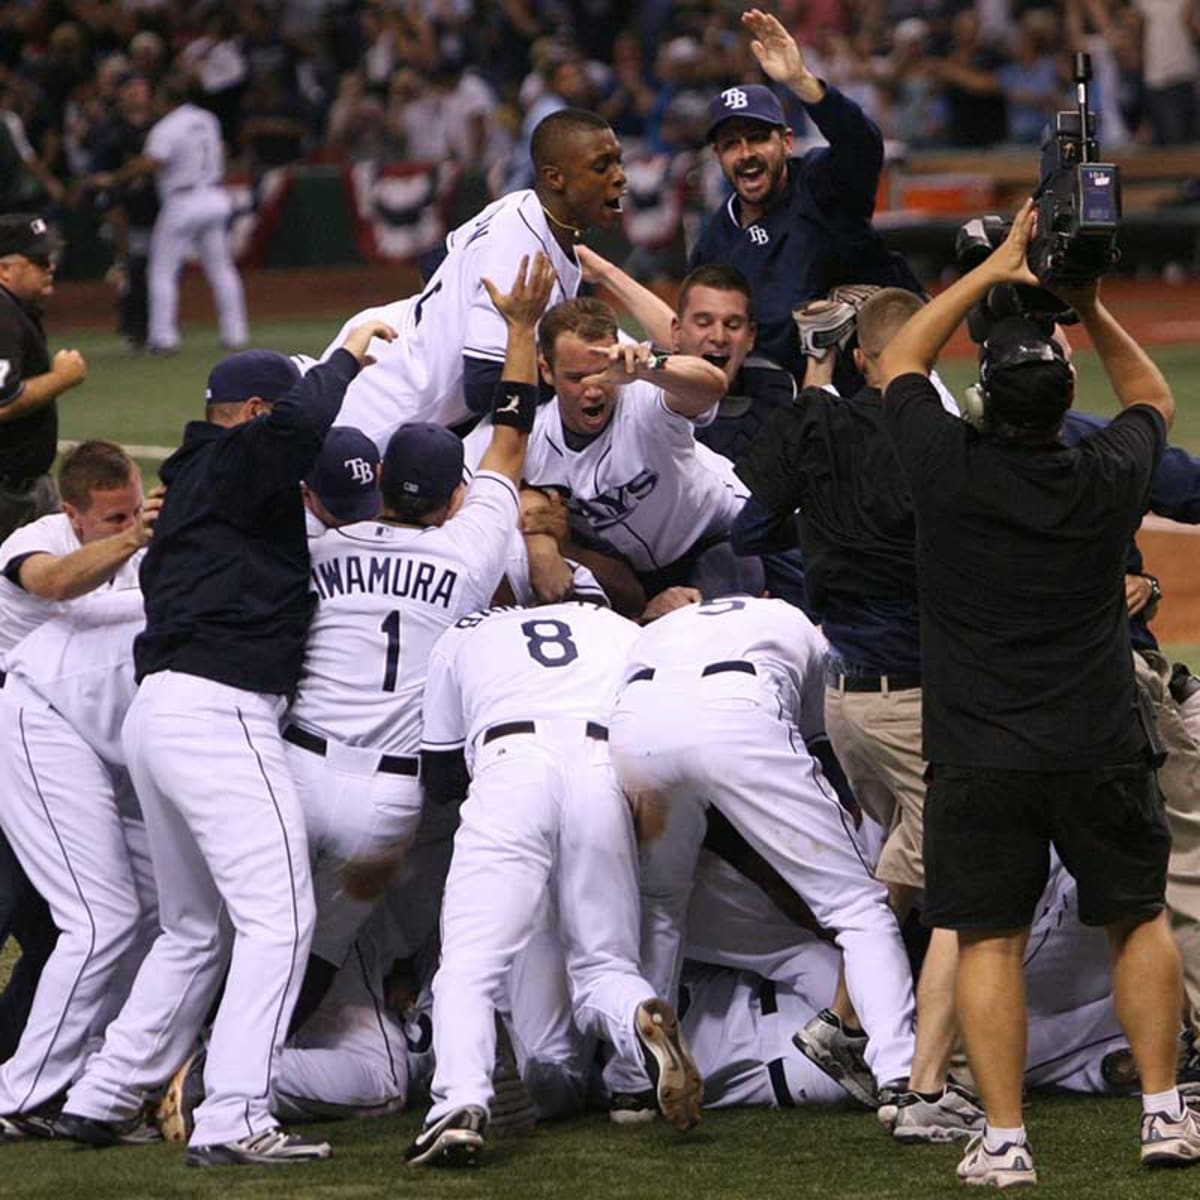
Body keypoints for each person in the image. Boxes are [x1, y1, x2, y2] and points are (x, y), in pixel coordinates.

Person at [877, 200, 1197, 1185]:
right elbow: (1153, 399)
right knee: (1135, 917)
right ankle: (1163, 1115)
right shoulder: (1104, 472)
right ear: (1064, 406)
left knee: (987, 938)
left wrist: (990, 270)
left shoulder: (945, 468)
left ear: (985, 400)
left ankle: (1007, 1139)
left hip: (980, 750)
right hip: (1098, 737)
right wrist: (1088, 307)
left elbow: (900, 364)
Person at [54, 318, 393, 1167]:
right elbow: (294, 430)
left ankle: (102, 1095)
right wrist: (347, 354)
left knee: (194, 927)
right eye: (272, 413)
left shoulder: (196, 487)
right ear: (248, 411)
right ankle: (235, 1111)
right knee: (280, 919)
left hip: (161, 716)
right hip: (218, 710)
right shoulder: (233, 457)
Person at [283, 254, 555, 1030]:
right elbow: (509, 434)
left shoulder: (323, 543)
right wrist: (521, 330)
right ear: (454, 496)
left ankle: (187, 1059)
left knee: (261, 931)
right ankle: (238, 1070)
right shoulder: (470, 555)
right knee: (324, 944)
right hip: (390, 803)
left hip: (296, 771)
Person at [410, 599, 704, 1166]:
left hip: (511, 759)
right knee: (605, 968)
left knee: (471, 964)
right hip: (600, 769)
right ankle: (639, 1012)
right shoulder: (617, 628)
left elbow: (442, 777)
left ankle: (460, 1103)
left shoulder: (467, 632)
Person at [607, 596, 915, 1114]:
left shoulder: (660, 629)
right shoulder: (801, 624)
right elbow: (827, 752)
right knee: (859, 909)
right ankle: (901, 1074)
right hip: (736, 711)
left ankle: (630, 1083)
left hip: (637, 724)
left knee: (660, 906)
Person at [325, 107, 627, 450]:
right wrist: (571, 376)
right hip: (389, 405)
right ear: (555, 177)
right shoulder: (521, 250)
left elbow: (436, 259)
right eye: (601, 166)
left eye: (619, 162)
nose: (619, 177)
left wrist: (449, 318)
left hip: (390, 350)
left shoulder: (522, 205)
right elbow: (483, 383)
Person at [0, 440, 159, 1065]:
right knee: (20, 902)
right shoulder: (35, 540)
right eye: (112, 517)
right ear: (73, 513)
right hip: (18, 727)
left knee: (73, 928)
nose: (127, 524)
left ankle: (25, 1054)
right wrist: (134, 538)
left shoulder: (137, 550)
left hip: (78, 746)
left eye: (133, 511)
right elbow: (56, 583)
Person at [462, 297, 756, 604]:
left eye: (603, 373)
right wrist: (537, 539)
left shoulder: (643, 395)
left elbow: (712, 386)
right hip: (637, 572)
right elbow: (464, 485)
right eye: (576, 378)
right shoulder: (535, 433)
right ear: (546, 371)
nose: (592, 390)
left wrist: (649, 367)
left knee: (713, 617)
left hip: (718, 535)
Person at [689, 9, 921, 389]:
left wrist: (801, 81)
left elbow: (860, 145)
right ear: (718, 157)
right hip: (783, 406)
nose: (746, 153)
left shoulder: (821, 185)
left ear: (787, 141)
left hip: (876, 391)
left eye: (759, 138)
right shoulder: (714, 242)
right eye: (731, 144)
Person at [0, 586, 158, 1136]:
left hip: (110, 738)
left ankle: (96, 1070)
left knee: (161, 910)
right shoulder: (225, 608)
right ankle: (21, 1095)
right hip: (46, 715)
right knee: (99, 920)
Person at [95, 75, 247, 354]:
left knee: (161, 270)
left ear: (166, 101)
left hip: (183, 199)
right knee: (222, 269)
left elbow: (153, 161)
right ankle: (235, 333)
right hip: (213, 194)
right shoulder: (207, 119)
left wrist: (116, 177)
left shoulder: (167, 127)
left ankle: (163, 338)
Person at [0, 214, 87, 542]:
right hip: (8, 494)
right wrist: (62, 378)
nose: (50, 265)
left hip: (27, 485)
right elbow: (2, 403)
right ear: (4, 269)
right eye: (37, 259)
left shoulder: (14, 308)